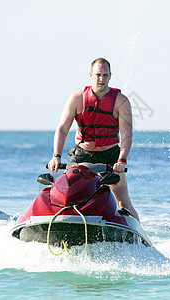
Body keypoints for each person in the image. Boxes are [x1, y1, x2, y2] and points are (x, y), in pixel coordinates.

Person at [48, 57, 140, 222]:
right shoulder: (77, 99)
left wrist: (122, 160)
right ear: (91, 75)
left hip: (110, 156)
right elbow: (62, 129)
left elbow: (127, 135)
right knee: (66, 195)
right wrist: (56, 156)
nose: (101, 79)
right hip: (82, 155)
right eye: (98, 75)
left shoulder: (121, 101)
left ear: (110, 76)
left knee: (123, 201)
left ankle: (142, 240)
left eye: (105, 75)